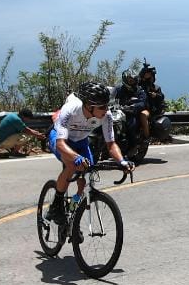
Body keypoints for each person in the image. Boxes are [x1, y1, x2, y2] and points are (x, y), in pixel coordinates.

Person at [45, 81, 132, 223]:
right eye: (102, 106)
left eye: (107, 105)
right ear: (89, 106)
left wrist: (121, 161)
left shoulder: (106, 116)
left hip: (81, 141)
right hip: (61, 139)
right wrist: (76, 157)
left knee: (85, 179)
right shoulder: (71, 109)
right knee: (72, 165)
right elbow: (61, 144)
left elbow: (111, 144)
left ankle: (73, 215)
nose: (106, 110)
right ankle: (56, 204)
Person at [116, 69, 149, 143]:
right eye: (130, 80)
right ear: (125, 80)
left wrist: (133, 106)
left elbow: (142, 102)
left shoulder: (139, 90)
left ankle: (133, 143)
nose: (132, 81)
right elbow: (110, 96)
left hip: (132, 113)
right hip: (118, 112)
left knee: (131, 124)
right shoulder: (119, 89)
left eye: (134, 80)